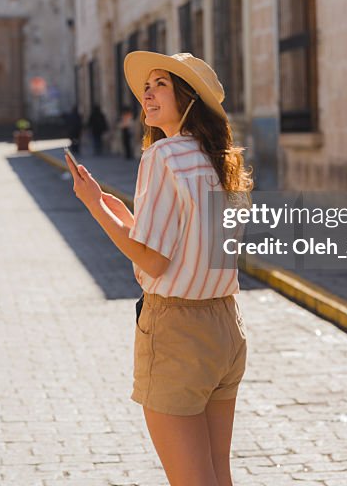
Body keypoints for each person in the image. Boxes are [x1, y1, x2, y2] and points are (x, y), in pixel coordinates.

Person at [66, 51, 253, 486]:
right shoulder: (221, 160)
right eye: (146, 85)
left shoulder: (163, 155)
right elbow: (196, 247)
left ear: (187, 99)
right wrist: (128, 219)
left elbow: (153, 259)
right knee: (217, 476)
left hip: (177, 330)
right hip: (225, 325)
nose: (147, 93)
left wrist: (95, 205)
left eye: (161, 84)